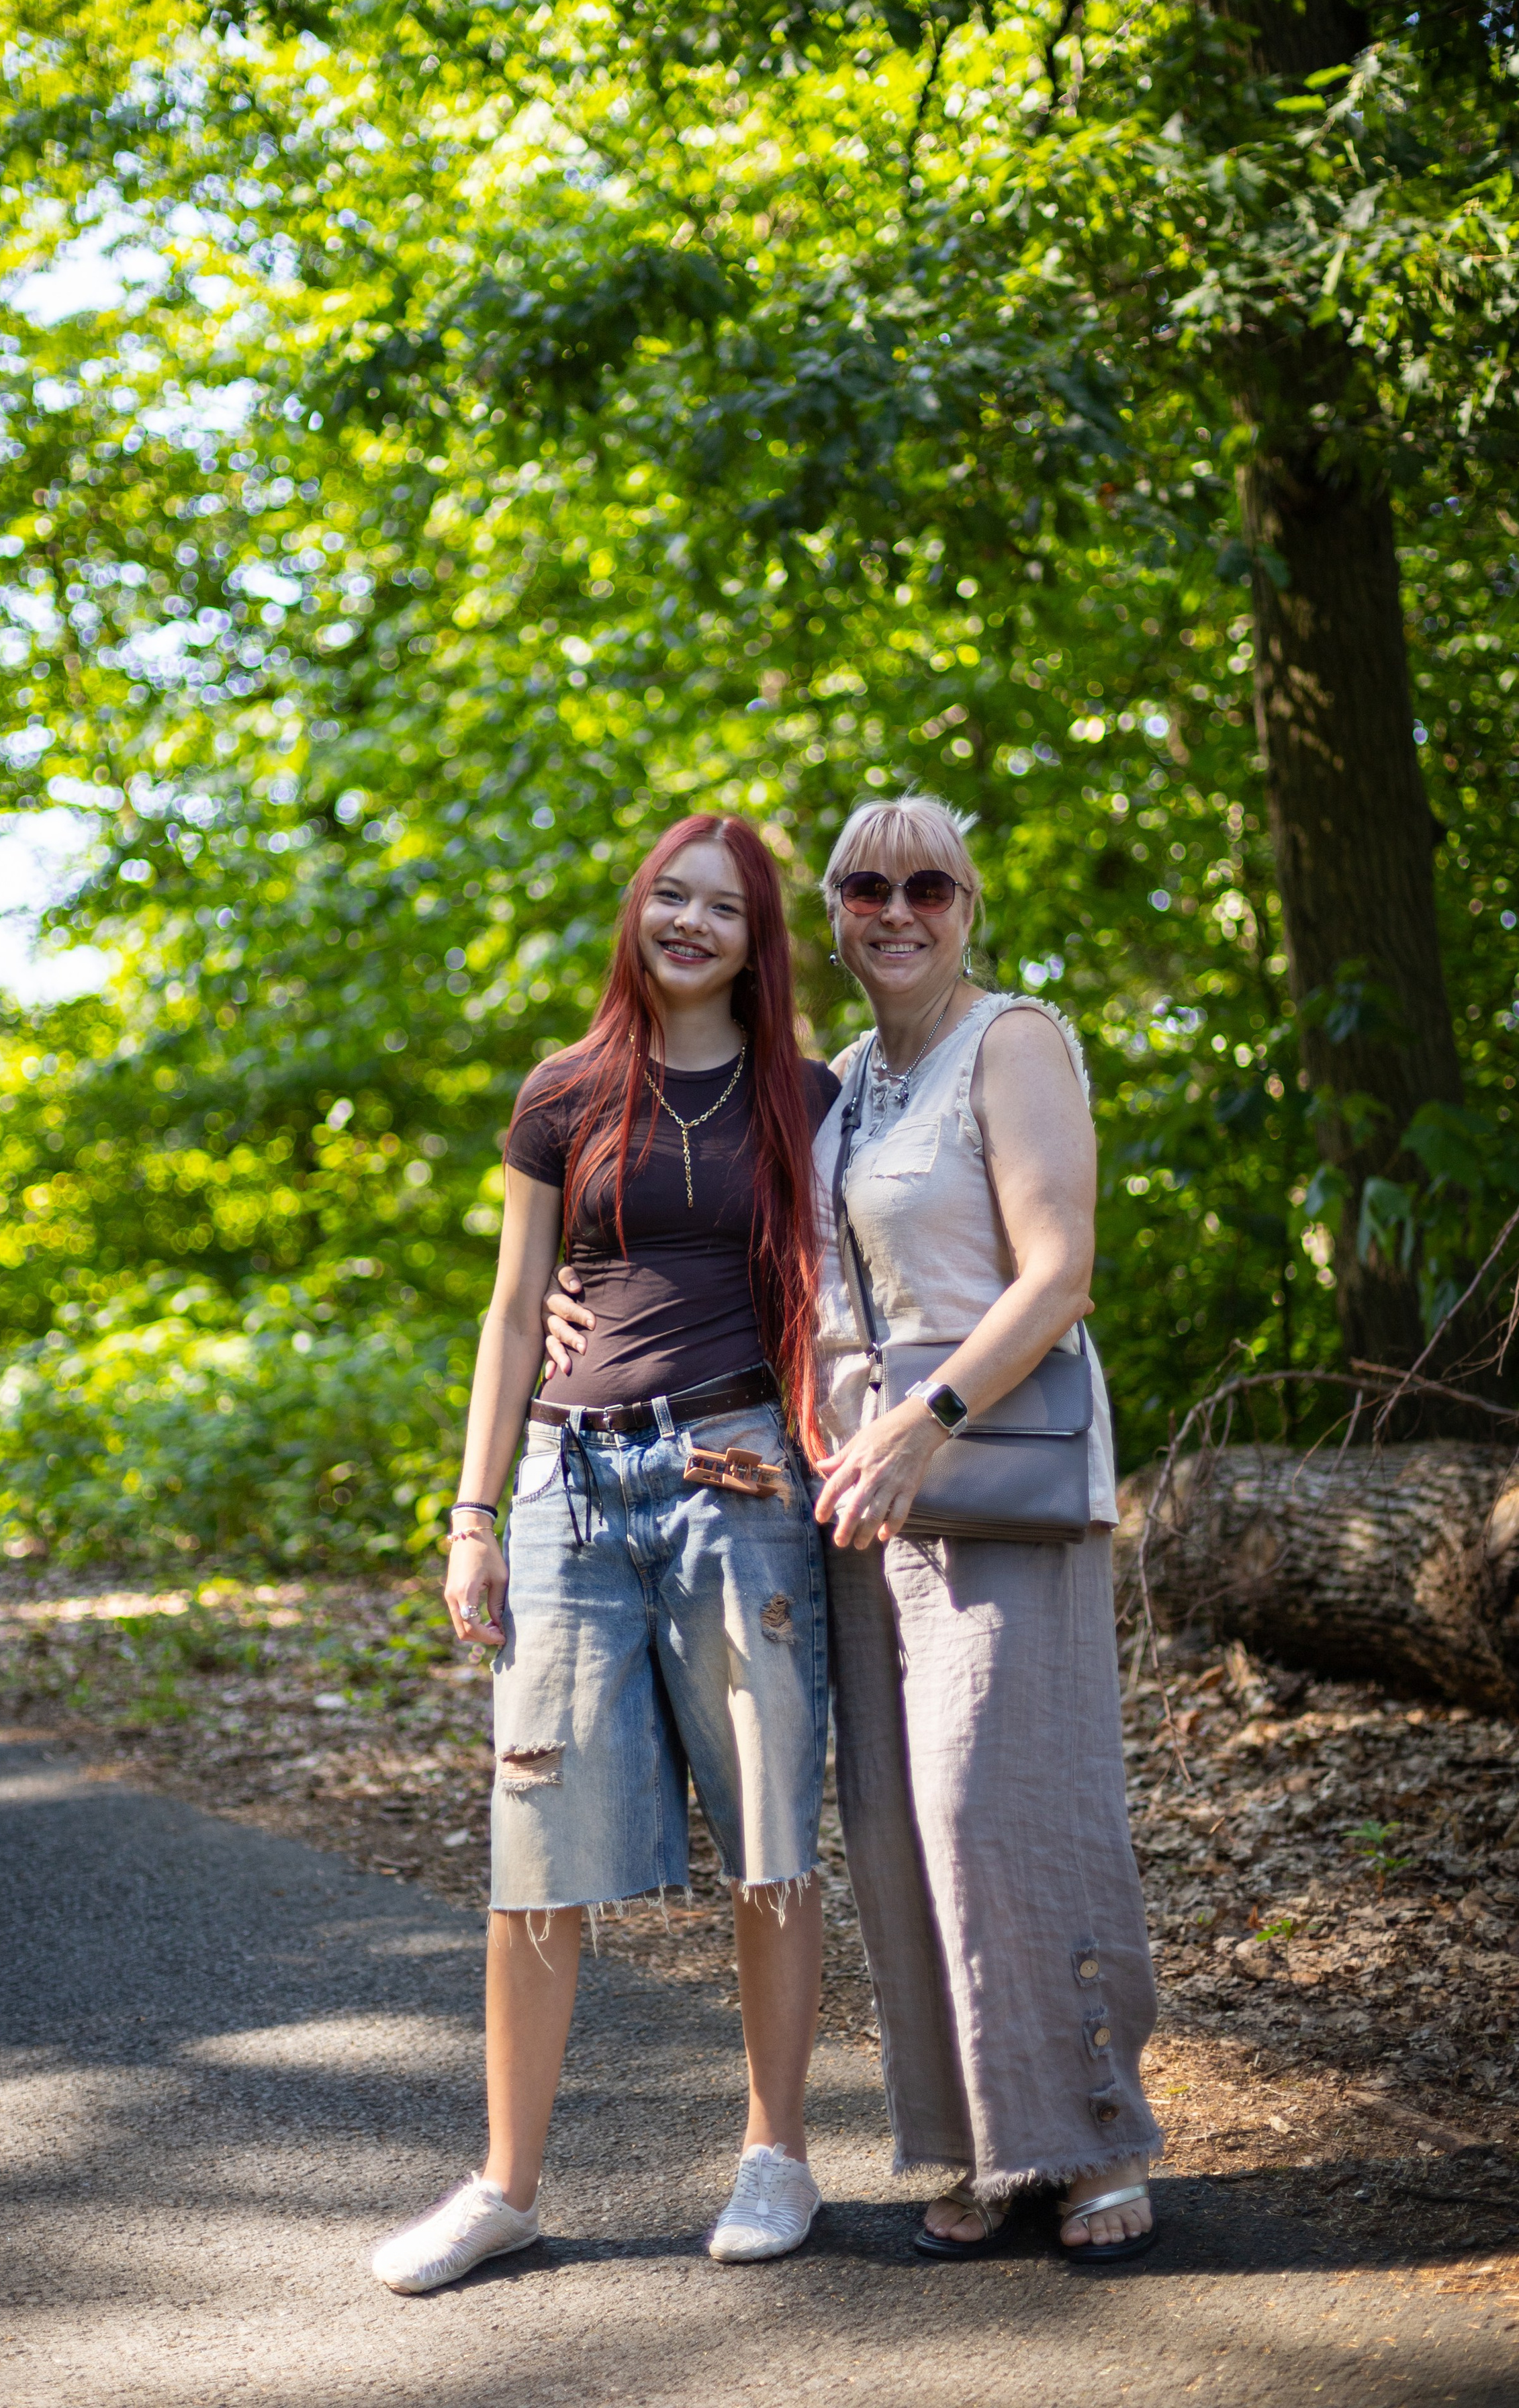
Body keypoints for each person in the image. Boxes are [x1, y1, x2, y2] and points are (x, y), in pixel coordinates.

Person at [547, 795, 1162, 2264]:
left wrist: (922, 1419)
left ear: (968, 906)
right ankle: (969, 2144)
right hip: (847, 1502)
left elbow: (1058, 1269)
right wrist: (585, 1298)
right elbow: (712, 1237)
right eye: (863, 887)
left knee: (999, 1811)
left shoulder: (1010, 1041)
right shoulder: (834, 1087)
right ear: (823, 914)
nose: (896, 910)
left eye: (927, 887)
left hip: (987, 1472)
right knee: (892, 1831)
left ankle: (1084, 2142)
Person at [369, 813, 843, 2297]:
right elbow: (514, 1315)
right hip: (568, 1491)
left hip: (737, 1478)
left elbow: (856, 1281)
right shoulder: (562, 1093)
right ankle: (505, 2187)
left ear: (759, 941)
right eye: (668, 899)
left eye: (722, 909)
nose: (689, 925)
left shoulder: (810, 1098)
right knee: (534, 1846)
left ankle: (777, 2156)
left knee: (769, 1833)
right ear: (636, 913)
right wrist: (467, 1515)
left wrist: (819, 1434)